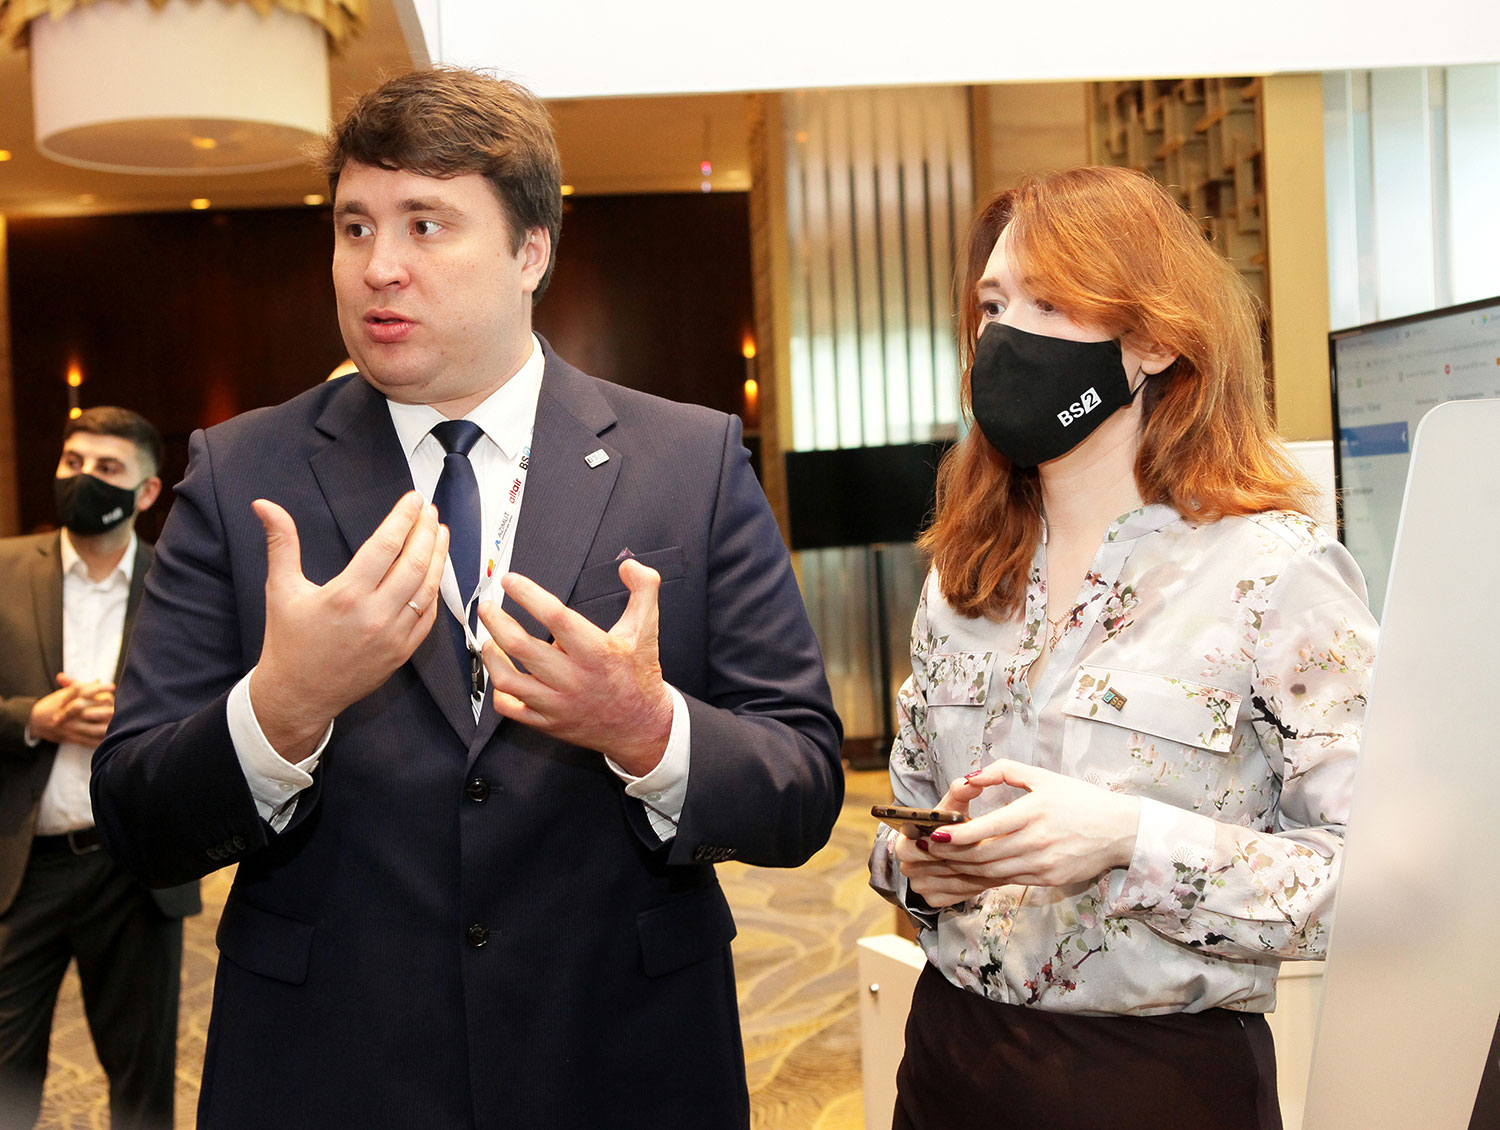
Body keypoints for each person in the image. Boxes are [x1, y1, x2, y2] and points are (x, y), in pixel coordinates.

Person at [90, 66, 842, 1130]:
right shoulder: (240, 472)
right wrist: (281, 708)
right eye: (354, 227)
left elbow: (803, 783)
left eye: (425, 224)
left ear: (531, 251)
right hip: (332, 1068)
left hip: (621, 1055)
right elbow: (136, 814)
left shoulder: (690, 460)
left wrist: (647, 728)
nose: (378, 266)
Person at [868, 166, 1376, 1130]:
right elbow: (903, 827)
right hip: (948, 1062)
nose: (1003, 337)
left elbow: (1373, 883)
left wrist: (1130, 841)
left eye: (1049, 303)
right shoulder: (965, 574)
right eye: (992, 306)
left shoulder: (1276, 573)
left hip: (1158, 1083)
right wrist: (919, 868)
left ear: (1150, 339)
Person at [0, 407, 200, 1130]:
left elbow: (219, 710)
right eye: (73, 462)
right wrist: (34, 718)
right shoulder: (4, 568)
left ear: (147, 493)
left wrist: (141, 725)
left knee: (141, 1087)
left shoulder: (184, 585)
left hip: (133, 871)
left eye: (107, 469)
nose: (84, 478)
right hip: (22, 867)